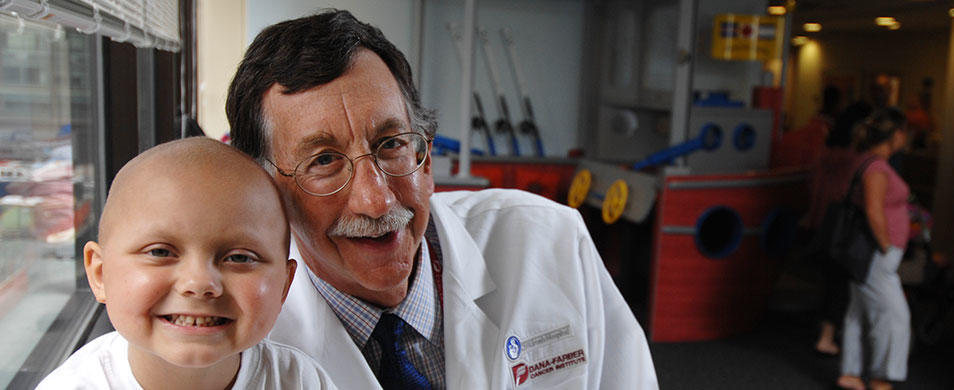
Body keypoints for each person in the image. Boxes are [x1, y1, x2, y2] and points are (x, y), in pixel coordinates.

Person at [225, 9, 657, 389]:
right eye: (324, 161)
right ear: (266, 195)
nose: (376, 201)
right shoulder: (238, 342)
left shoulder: (550, 240)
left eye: (391, 143)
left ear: (426, 160)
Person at [35, 138, 338, 389]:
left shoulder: (300, 381)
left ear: (283, 285)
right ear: (100, 274)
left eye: (239, 258)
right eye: (159, 253)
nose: (200, 283)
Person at [837, 109, 912, 390]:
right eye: (905, 132)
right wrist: (886, 246)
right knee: (894, 316)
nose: (907, 137)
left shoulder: (871, 162)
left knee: (858, 311)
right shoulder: (878, 167)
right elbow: (873, 210)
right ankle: (882, 378)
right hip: (875, 252)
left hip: (870, 252)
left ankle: (851, 373)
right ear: (896, 135)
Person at [804, 101, 873, 356]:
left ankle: (827, 330)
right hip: (843, 228)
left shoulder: (825, 153)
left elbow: (812, 185)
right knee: (840, 285)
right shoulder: (858, 160)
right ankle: (827, 335)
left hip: (822, 221)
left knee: (831, 282)